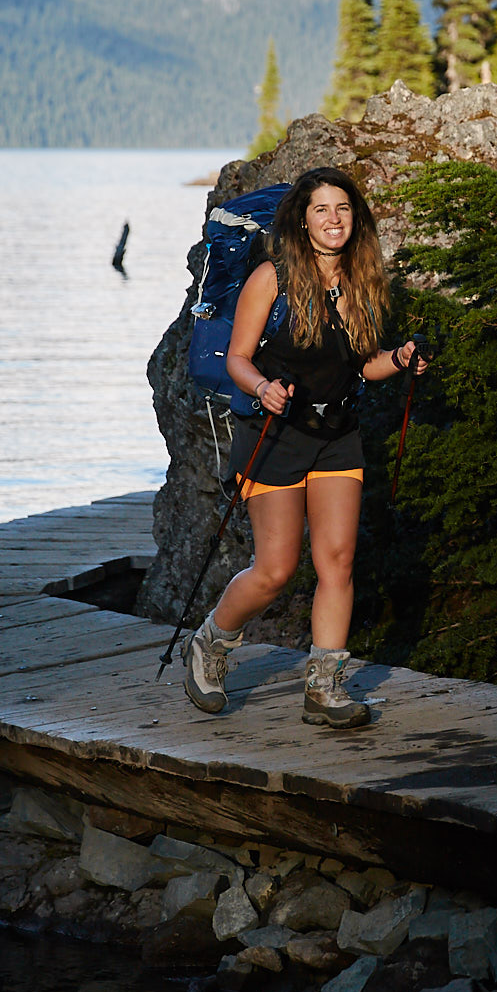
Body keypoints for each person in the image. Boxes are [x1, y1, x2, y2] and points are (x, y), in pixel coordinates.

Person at [182, 166, 429, 728]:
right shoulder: (272, 279)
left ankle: (325, 687)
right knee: (274, 570)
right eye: (321, 209)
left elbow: (360, 365)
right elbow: (239, 358)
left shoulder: (364, 280)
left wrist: (400, 359)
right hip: (276, 435)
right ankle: (213, 643)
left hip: (337, 435)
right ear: (302, 219)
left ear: (355, 218)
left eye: (342, 208)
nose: (334, 219)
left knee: (338, 561)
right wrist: (262, 388)